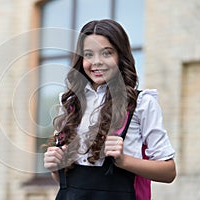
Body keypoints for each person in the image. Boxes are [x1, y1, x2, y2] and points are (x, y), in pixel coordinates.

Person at [43, 19, 176, 200]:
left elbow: (169, 172)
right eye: (88, 54)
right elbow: (69, 185)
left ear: (120, 56)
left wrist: (123, 160)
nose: (96, 62)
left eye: (106, 53)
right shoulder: (70, 104)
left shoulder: (142, 104)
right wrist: (55, 167)